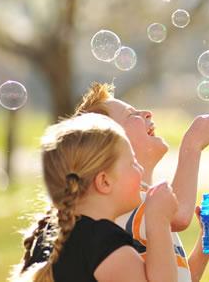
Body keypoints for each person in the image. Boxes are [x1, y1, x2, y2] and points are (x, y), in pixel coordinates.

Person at [17, 83, 209, 282]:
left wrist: (206, 245)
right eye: (131, 114)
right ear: (104, 178)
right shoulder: (115, 224)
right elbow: (179, 216)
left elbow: (176, 277)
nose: (146, 113)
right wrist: (191, 146)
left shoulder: (120, 221)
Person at [12, 113, 179, 281]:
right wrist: (159, 221)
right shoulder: (106, 244)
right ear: (104, 181)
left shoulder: (49, 236)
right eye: (133, 163)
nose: (141, 170)